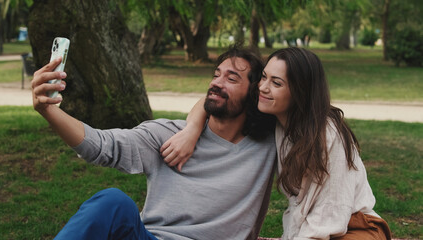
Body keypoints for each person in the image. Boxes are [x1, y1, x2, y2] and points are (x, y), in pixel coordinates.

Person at [31, 45, 277, 240]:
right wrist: (48, 111)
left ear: (255, 93)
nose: (216, 83)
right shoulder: (168, 135)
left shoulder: (269, 145)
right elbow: (103, 146)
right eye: (215, 75)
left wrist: (194, 125)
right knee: (112, 202)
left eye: (231, 79)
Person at [163, 47, 392, 240]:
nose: (263, 87)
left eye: (276, 83)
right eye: (264, 77)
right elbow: (209, 99)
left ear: (299, 92)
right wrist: (191, 131)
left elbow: (330, 212)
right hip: (313, 229)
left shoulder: (327, 134)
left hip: (355, 228)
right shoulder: (275, 116)